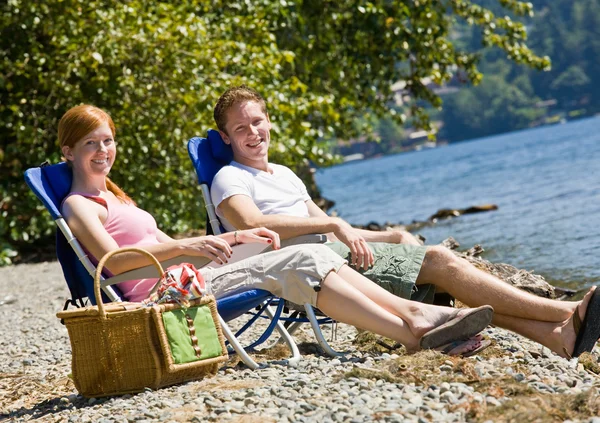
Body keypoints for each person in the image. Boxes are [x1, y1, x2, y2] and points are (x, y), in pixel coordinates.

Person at [57, 104, 494, 356]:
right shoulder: (78, 205)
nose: (102, 150)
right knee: (302, 257)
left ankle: (416, 322)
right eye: (90, 143)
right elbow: (118, 267)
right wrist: (193, 244)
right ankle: (416, 324)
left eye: (107, 140)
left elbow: (166, 248)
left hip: (185, 278)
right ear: (69, 151)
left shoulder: (117, 198)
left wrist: (231, 239)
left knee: (304, 254)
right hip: (160, 296)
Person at [210, 85, 600, 359]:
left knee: (447, 283)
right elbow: (251, 221)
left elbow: (329, 224)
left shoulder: (283, 174)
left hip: (333, 256)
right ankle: (562, 313)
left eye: (257, 122)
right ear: (226, 137)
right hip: (306, 272)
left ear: (270, 121)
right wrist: (334, 227)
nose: (253, 133)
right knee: (442, 263)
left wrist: (390, 234)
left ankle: (557, 338)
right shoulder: (229, 177)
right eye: (240, 128)